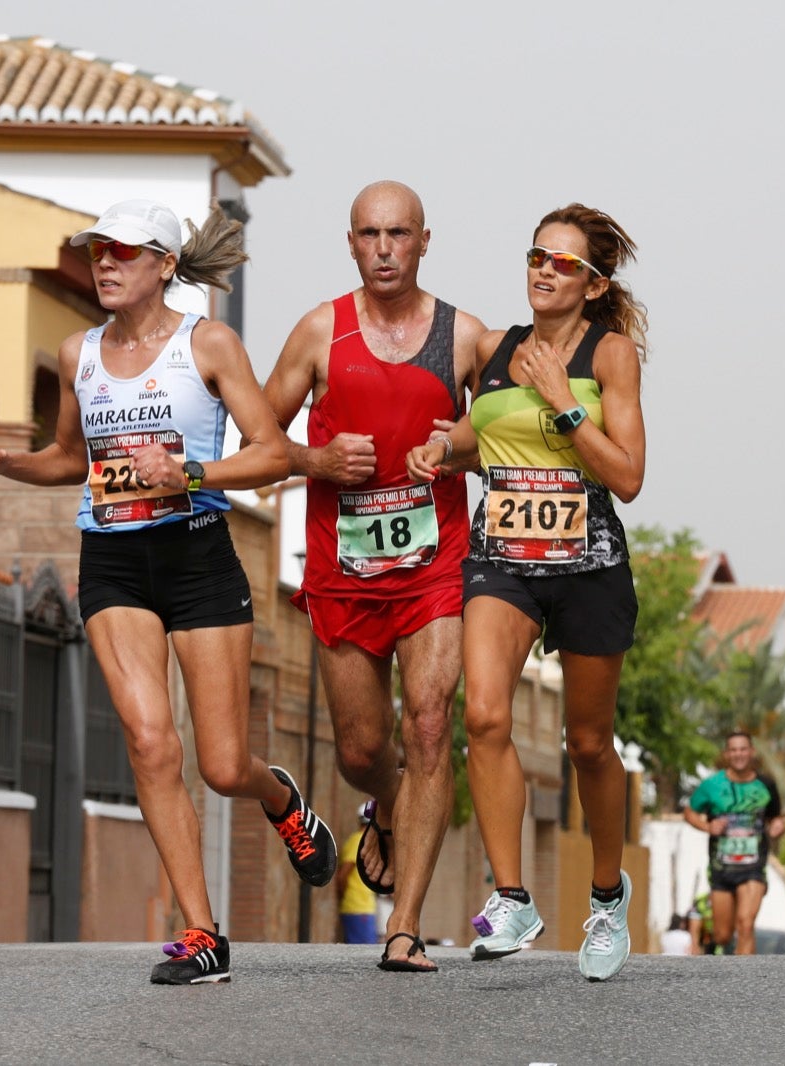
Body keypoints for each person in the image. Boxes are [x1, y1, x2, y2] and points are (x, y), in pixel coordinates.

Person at [0, 200, 335, 984]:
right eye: (97, 252)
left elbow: (272, 454)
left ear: (162, 264)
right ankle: (202, 934)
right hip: (113, 561)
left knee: (222, 766)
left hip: (198, 559)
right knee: (153, 744)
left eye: (123, 252)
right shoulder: (77, 354)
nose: (106, 264)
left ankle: (279, 796)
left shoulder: (208, 344)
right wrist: (1, 463)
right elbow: (66, 459)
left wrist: (188, 473)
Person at [407, 203, 647, 982]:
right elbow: (483, 435)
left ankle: (607, 901)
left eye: (563, 262)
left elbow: (629, 477)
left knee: (587, 744)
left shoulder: (611, 356)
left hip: (589, 563)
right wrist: (442, 448)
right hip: (503, 555)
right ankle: (512, 897)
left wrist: (565, 402)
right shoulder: (495, 347)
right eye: (537, 255)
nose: (544, 270)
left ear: (593, 282)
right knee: (482, 714)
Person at [260, 181, 486, 973]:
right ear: (350, 243)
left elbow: (518, 439)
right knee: (363, 749)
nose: (384, 248)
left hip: (437, 573)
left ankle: (407, 924)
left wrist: (458, 447)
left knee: (429, 725)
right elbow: (260, 439)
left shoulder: (464, 338)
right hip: (344, 574)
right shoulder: (320, 331)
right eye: (369, 234)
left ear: (426, 241)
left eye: (399, 234)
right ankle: (383, 805)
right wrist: (315, 459)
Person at [682, 732, 785, 956]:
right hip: (722, 868)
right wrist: (708, 827)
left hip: (753, 867)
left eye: (743, 749)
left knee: (746, 924)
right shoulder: (712, 785)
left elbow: (775, 817)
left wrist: (779, 826)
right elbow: (690, 812)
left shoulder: (766, 785)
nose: (738, 754)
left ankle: (747, 983)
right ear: (727, 754)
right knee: (722, 935)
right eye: (733, 750)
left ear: (752, 752)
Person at [336, 804, 380, 945]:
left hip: (363, 906)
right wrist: (345, 896)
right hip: (358, 907)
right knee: (364, 953)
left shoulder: (362, 840)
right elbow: (343, 875)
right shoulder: (359, 841)